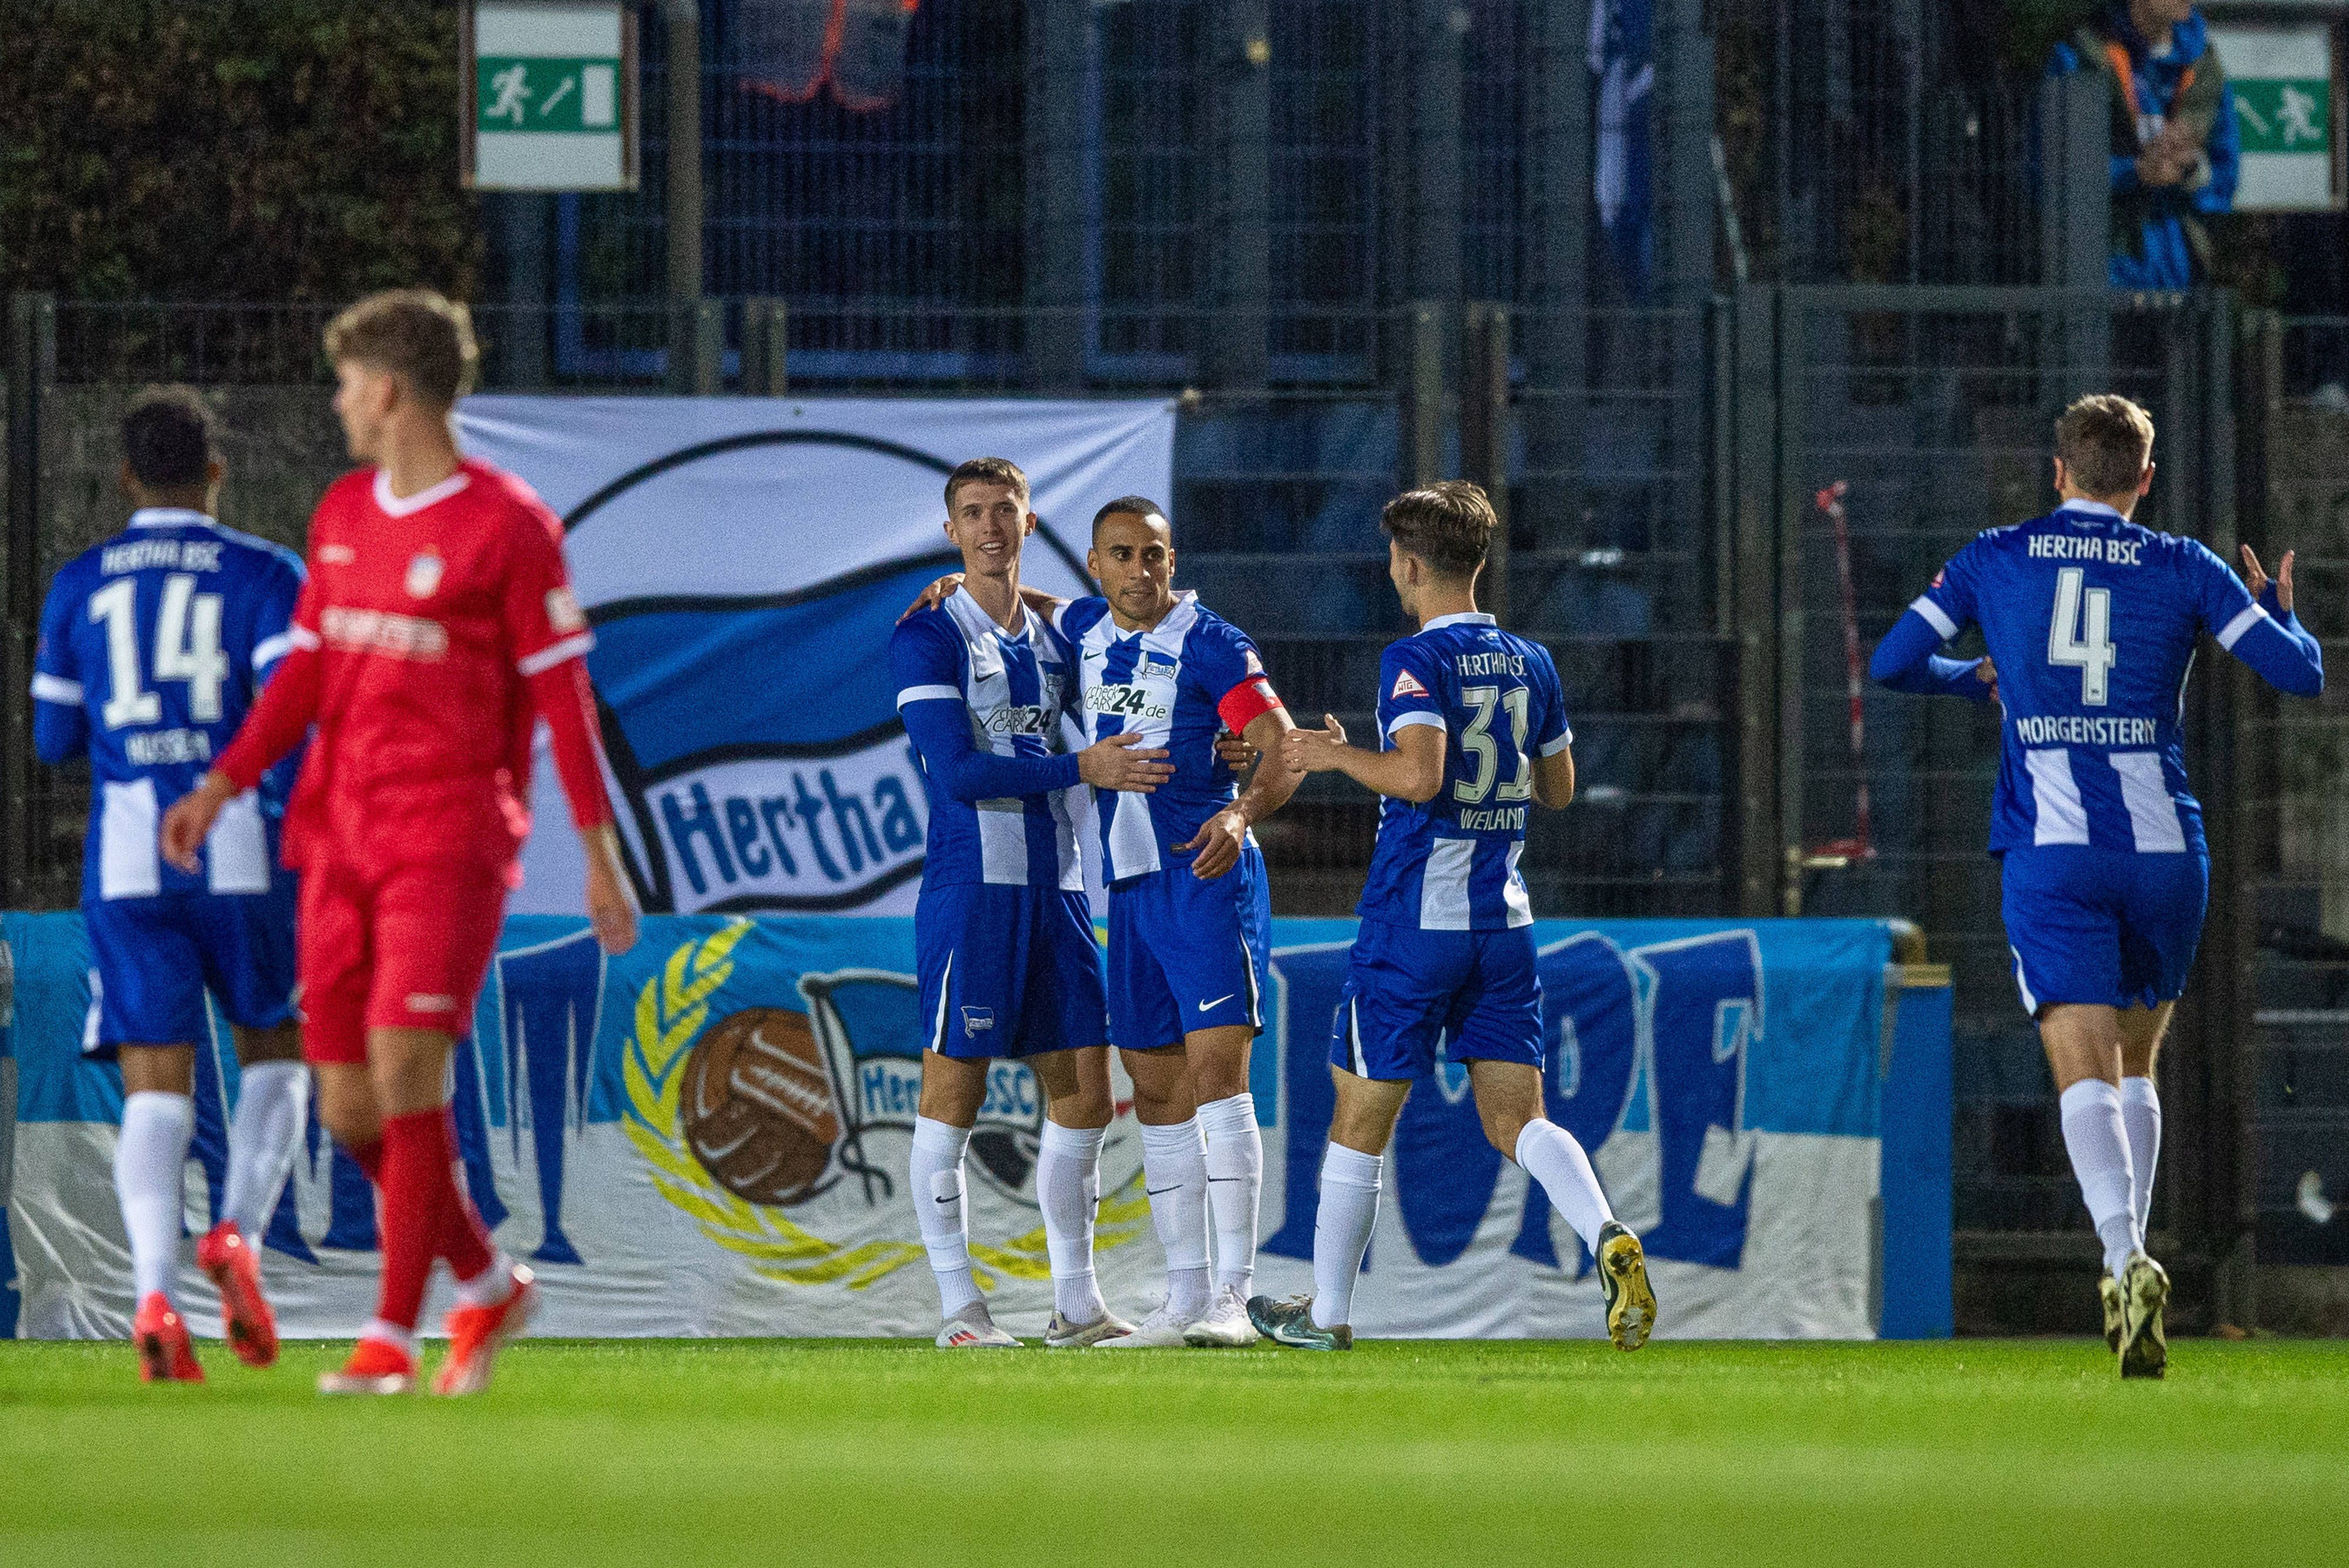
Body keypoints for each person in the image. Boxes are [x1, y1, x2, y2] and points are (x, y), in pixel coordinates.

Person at [160, 290, 640, 1395]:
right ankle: (485, 1284)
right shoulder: (341, 514)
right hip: (336, 839)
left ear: (386, 389)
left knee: (407, 1072)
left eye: (344, 383)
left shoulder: (510, 525)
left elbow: (563, 699)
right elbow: (311, 674)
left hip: (450, 838)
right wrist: (225, 784)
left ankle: (391, 1335)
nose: (338, 403)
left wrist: (599, 852)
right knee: (349, 1108)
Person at [1869, 394, 2321, 1378]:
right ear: (2145, 480)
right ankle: (2134, 1269)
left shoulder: (1997, 554)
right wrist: (2290, 618)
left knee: (2082, 1068)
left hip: (2055, 851)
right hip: (2165, 852)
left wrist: (1973, 678)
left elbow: (1893, 661)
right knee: (2136, 1067)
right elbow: (2297, 676)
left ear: (2059, 471)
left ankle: (2124, 1259)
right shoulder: (2187, 566)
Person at [1250, 481, 1656, 1352]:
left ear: (1409, 565)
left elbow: (1420, 776)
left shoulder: (1414, 660)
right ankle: (1606, 1234)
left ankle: (1326, 1315)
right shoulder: (1531, 661)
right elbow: (1561, 789)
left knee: (1359, 1118)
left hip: (1413, 923)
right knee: (1518, 1120)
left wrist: (1333, 754)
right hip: (1503, 925)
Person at [906, 499, 1304, 1346]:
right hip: (1124, 890)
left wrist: (1240, 812)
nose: (1140, 571)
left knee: (1218, 1086)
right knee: (1155, 1091)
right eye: (1121, 555)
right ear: (1096, 563)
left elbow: (1282, 744)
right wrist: (961, 581)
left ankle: (1234, 1295)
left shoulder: (1214, 642)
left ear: (1173, 556)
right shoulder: (1083, 626)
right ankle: (1184, 1299)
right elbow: (1030, 601)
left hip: (1202, 878)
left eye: (1154, 554)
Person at [31, 391, 312, 1383]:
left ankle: (155, 1295)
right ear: (217, 473)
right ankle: (235, 1232)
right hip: (243, 852)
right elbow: (297, 716)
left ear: (125, 478)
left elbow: (53, 740)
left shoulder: (79, 585)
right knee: (279, 1052)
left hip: (128, 859)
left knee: (157, 1087)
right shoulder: (268, 575)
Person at [890, 459, 1175, 1350]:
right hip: (972, 892)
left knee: (1087, 1094)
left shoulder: (1060, 631)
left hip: (1057, 892)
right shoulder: (929, 634)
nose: (988, 528)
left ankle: (1076, 1302)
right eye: (971, 515)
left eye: (1003, 513)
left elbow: (1139, 624)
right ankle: (960, 1311)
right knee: (954, 1093)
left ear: (1026, 520)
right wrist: (1077, 767)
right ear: (950, 531)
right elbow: (961, 772)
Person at [2049, 1, 2239, 290]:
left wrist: (2191, 171)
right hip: (2100, 280)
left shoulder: (2204, 65)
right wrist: (2136, 172)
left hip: (2181, 283)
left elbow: (2225, 174)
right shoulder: (2080, 58)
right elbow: (2053, 173)